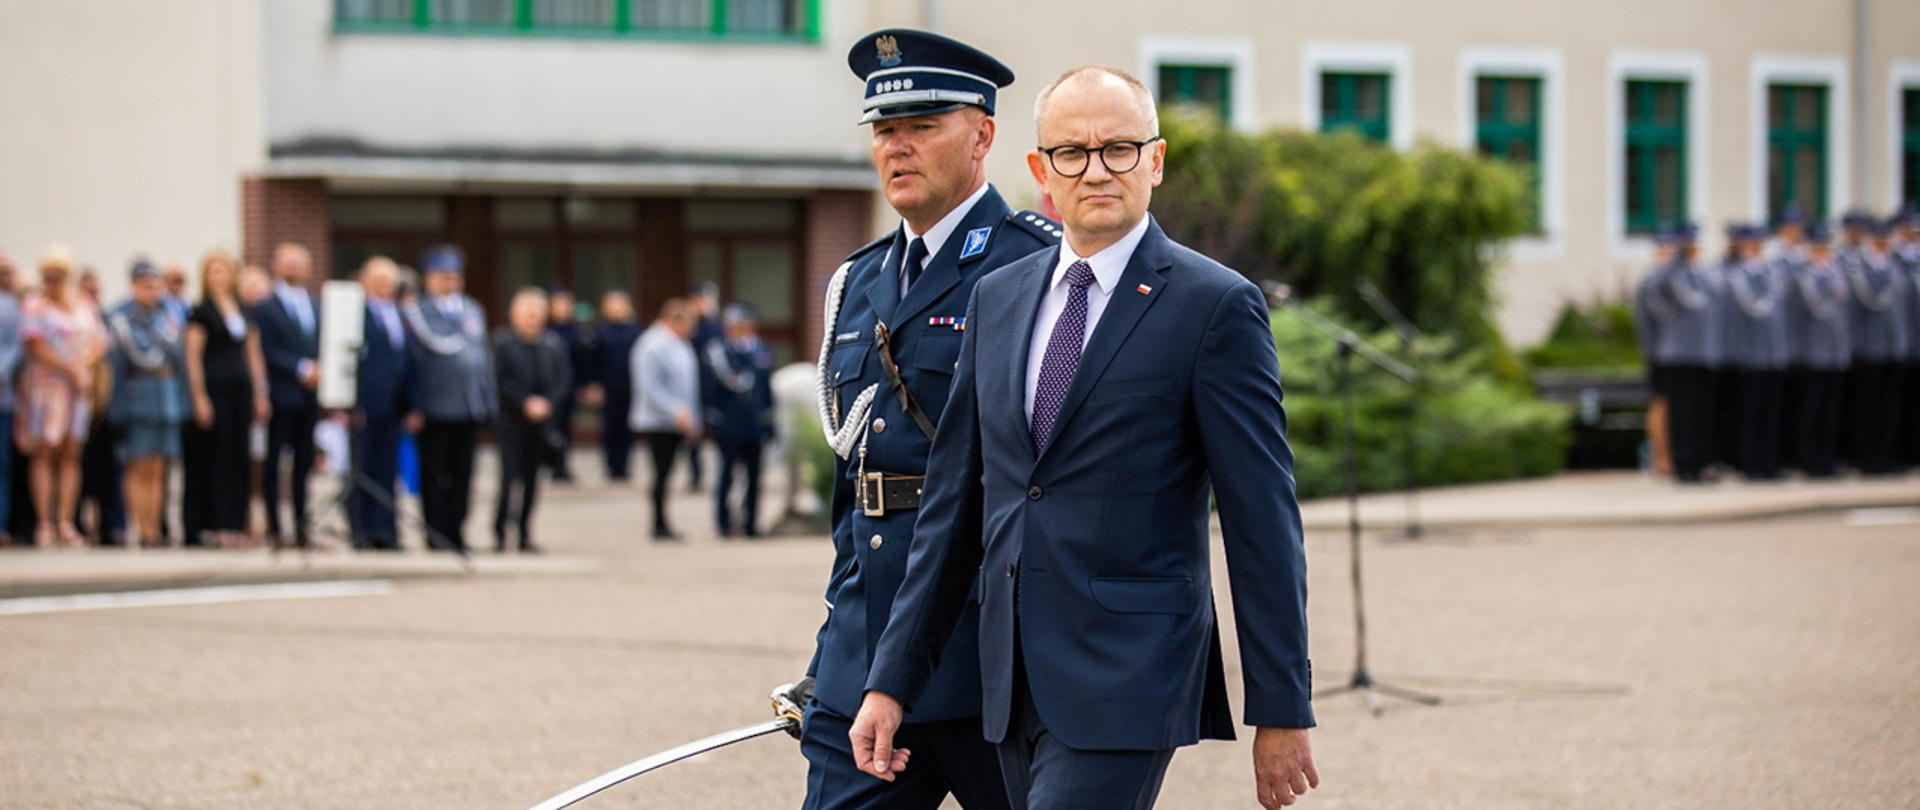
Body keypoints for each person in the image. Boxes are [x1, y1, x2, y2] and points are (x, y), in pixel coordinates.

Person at [850, 65, 1319, 810]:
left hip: (1128, 673)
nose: (1096, 169)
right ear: (1041, 170)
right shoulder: (997, 298)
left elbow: (1263, 522)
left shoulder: (1215, 306)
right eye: (1072, 152)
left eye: (1120, 149)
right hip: (1004, 678)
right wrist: (890, 681)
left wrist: (1282, 707)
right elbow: (951, 514)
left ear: (1155, 161)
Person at [795, 29, 1061, 810]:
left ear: (982, 135)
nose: (897, 147)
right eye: (884, 130)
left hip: (996, 653)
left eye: (921, 126)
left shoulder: (1038, 267)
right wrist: (836, 638)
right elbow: (858, 480)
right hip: (868, 651)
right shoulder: (858, 281)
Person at [16, 246, 110, 548]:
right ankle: (44, 522)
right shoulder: (35, 307)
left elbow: (99, 339)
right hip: (48, 389)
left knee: (72, 452)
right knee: (46, 450)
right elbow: (34, 345)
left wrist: (85, 364)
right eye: (47, 277)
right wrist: (69, 367)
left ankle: (66, 522)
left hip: (78, 388)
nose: (52, 283)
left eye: (57, 277)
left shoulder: (83, 305)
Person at [404, 245, 496, 552]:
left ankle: (457, 531)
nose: (449, 282)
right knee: (433, 474)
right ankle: (436, 533)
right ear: (429, 278)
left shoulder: (471, 310)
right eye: (443, 276)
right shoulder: (418, 312)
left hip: (467, 407)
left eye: (454, 276)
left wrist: (486, 402)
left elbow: (483, 359)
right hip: (434, 408)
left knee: (463, 475)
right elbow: (415, 361)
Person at [183, 250, 270, 548]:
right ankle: (217, 523)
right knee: (217, 455)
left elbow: (253, 353)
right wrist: (199, 396)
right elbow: (193, 357)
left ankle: (237, 522)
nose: (219, 277)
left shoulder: (243, 311)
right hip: (215, 389)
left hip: (240, 391)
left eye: (224, 271)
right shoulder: (201, 311)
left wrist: (261, 391)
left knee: (239, 455)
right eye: (214, 271)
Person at [106, 261, 188, 548]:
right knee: (138, 466)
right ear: (134, 286)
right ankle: (139, 527)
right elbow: (117, 368)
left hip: (166, 398)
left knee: (158, 467)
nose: (152, 291)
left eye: (156, 285)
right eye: (146, 285)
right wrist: (117, 409)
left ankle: (154, 528)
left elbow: (179, 359)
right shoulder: (123, 320)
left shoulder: (168, 317)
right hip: (139, 398)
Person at [252, 243, 322, 549]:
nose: (293, 267)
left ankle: (302, 527)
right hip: (280, 394)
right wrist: (301, 367)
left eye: (299, 262)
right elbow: (265, 351)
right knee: (274, 463)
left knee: (304, 463)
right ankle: (276, 529)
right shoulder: (264, 307)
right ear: (276, 265)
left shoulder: (316, 305)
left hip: (309, 397)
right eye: (288, 262)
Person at [491, 287, 571, 554]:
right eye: (527, 312)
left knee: (532, 481)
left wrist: (547, 403)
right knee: (509, 479)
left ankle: (525, 533)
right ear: (515, 314)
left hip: (541, 423)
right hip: (512, 421)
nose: (532, 318)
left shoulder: (552, 345)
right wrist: (525, 401)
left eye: (537, 313)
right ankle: (500, 533)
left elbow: (563, 380)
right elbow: (500, 380)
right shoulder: (502, 343)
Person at [1642, 224, 1724, 482]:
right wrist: (1676, 260)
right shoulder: (1664, 277)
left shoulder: (1703, 275)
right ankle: (1682, 464)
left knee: (1703, 412)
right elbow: (1656, 306)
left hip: (1703, 354)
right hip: (1675, 355)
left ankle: (1700, 462)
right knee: (1680, 413)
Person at [1720, 224, 1790, 480]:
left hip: (1773, 356)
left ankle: (1768, 462)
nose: (1756, 251)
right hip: (1749, 357)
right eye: (1751, 246)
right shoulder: (1735, 277)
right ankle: (1750, 464)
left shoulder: (1771, 274)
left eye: (1759, 246)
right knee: (1749, 414)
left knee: (1770, 414)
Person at [352, 257, 412, 551]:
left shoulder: (400, 314)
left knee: (388, 469)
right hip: (367, 404)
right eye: (378, 280)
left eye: (389, 281)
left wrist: (411, 404)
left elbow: (406, 361)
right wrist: (353, 403)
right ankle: (362, 529)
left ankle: (386, 529)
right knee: (364, 467)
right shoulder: (358, 314)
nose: (384, 286)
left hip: (394, 404)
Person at [1843, 218, 1911, 475]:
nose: (1883, 246)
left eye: (1886, 241)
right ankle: (1867, 457)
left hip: (1892, 348)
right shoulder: (1859, 269)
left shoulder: (1895, 268)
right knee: (1867, 408)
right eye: (1879, 242)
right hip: (1868, 350)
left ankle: (1886, 456)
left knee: (1889, 408)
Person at [629, 297, 700, 540]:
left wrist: (692, 418)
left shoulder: (681, 344)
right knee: (660, 473)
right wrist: (675, 410)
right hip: (657, 421)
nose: (692, 328)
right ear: (674, 320)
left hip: (678, 421)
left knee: (668, 473)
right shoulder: (652, 345)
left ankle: (664, 521)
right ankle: (658, 523)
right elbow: (650, 387)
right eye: (689, 322)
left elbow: (689, 386)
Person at [1783, 224, 1850, 478]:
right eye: (1818, 248)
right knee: (1810, 411)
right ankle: (1809, 460)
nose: (1823, 253)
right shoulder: (1802, 277)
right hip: (1811, 354)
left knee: (1830, 412)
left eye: (1825, 248)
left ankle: (1827, 459)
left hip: (1834, 355)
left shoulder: (1836, 274)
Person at [703, 303, 774, 538]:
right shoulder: (718, 352)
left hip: (754, 425)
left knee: (754, 478)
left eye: (743, 325)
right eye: (734, 325)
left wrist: (769, 423)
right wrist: (713, 421)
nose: (738, 330)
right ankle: (724, 523)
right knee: (727, 475)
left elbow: (766, 391)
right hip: (729, 425)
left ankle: (751, 522)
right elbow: (709, 390)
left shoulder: (760, 350)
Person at [1633, 230, 1680, 476]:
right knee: (1660, 404)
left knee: (1675, 405)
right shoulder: (1651, 282)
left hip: (1676, 354)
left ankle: (1673, 455)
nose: (1667, 256)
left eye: (1670, 250)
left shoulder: (1675, 280)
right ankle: (1660, 457)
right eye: (1663, 250)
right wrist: (1651, 351)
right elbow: (1645, 321)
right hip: (1660, 354)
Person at [590, 290, 643, 482]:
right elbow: (593, 361)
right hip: (608, 387)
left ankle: (624, 465)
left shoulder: (635, 331)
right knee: (610, 428)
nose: (617, 308)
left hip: (630, 387)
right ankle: (612, 465)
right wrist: (594, 384)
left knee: (627, 428)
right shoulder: (600, 331)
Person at [544, 288, 588, 484]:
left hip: (568, 388)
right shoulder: (545, 330)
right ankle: (547, 463)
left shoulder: (577, 332)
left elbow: (582, 361)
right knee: (547, 430)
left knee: (565, 430)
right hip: (545, 388)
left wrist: (582, 385)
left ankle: (561, 465)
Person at [684, 281, 722, 491]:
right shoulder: (690, 326)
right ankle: (695, 474)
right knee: (694, 433)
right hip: (693, 385)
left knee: (716, 429)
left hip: (714, 385)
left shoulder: (716, 325)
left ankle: (720, 474)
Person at [0, 253, 22, 546]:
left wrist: (2, 372)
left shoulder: (14, 307)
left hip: (4, 397)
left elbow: (16, 345)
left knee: (2, 463)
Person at [160, 262, 191, 328]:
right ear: (166, 280)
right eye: (175, 281)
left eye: (180, 281)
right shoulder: (160, 302)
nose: (178, 286)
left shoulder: (186, 302)